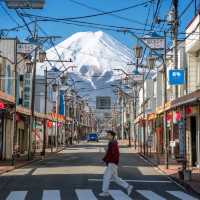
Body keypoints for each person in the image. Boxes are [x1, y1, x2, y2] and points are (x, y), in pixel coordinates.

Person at [99, 130, 133, 197]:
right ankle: (128, 186)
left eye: (108, 135)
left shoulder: (113, 143)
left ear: (112, 136)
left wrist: (106, 160)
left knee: (106, 177)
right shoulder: (112, 142)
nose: (107, 136)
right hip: (113, 162)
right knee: (115, 178)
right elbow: (110, 153)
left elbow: (113, 154)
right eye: (107, 134)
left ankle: (105, 192)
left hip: (112, 163)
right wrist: (105, 159)